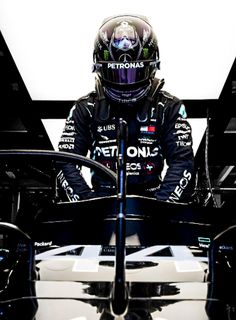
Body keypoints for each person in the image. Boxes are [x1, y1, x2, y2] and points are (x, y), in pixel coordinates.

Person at [57, 14, 195, 203]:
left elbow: (182, 162)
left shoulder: (169, 107)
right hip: (101, 205)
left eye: (133, 72)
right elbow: (66, 161)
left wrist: (160, 209)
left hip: (152, 203)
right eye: (117, 72)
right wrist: (87, 206)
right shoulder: (86, 108)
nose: (125, 83)